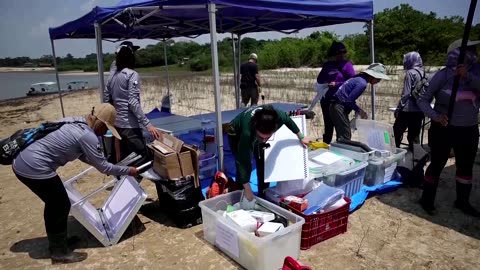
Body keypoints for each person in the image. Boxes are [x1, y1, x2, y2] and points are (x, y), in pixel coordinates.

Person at [11, 103, 138, 264]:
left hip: (25, 160)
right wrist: (129, 170)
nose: (105, 132)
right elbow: (104, 167)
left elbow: (77, 152)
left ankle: (60, 242)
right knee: (59, 204)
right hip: (33, 167)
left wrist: (96, 161)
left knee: (57, 203)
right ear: (100, 123)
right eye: (106, 128)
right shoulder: (87, 136)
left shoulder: (75, 121)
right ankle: (58, 252)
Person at [417, 39, 480, 217]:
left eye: (474, 50)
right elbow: (423, 100)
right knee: (437, 164)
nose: (474, 53)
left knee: (465, 166)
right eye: (469, 50)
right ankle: (427, 200)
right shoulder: (442, 75)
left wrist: (467, 76)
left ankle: (462, 201)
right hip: (443, 129)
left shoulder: (477, 73)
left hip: (469, 129)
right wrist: (435, 116)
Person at [224, 105, 310, 208]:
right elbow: (242, 161)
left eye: (268, 137)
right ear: (256, 129)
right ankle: (241, 191)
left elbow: (288, 120)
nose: (264, 140)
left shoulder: (278, 117)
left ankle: (263, 193)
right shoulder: (247, 133)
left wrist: (301, 137)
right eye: (261, 137)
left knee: (262, 158)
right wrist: (248, 189)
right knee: (244, 163)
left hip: (254, 131)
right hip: (236, 133)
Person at [104, 45, 161, 167]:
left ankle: (123, 176)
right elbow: (133, 102)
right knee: (145, 158)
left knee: (127, 158)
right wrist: (148, 124)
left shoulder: (112, 77)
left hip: (118, 125)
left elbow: (106, 97)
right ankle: (126, 178)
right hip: (130, 126)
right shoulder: (132, 74)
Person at [330, 63, 390, 141]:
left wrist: (356, 110)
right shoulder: (362, 83)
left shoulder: (358, 78)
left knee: (343, 134)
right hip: (338, 106)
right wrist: (360, 111)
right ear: (372, 76)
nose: (378, 81)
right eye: (378, 79)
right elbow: (349, 101)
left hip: (335, 105)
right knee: (345, 137)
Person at [312, 41, 356, 144]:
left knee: (340, 125)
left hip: (340, 101)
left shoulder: (347, 65)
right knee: (328, 125)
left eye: (342, 53)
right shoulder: (328, 65)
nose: (340, 55)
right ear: (333, 54)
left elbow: (352, 82)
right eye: (337, 53)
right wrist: (327, 73)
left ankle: (343, 146)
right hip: (326, 100)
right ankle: (326, 146)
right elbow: (320, 80)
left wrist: (337, 83)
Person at [393, 52, 427, 149]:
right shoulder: (424, 73)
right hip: (419, 110)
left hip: (407, 110)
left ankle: (395, 155)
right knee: (414, 138)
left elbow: (406, 93)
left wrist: (398, 108)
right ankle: (417, 160)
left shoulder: (410, 73)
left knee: (396, 133)